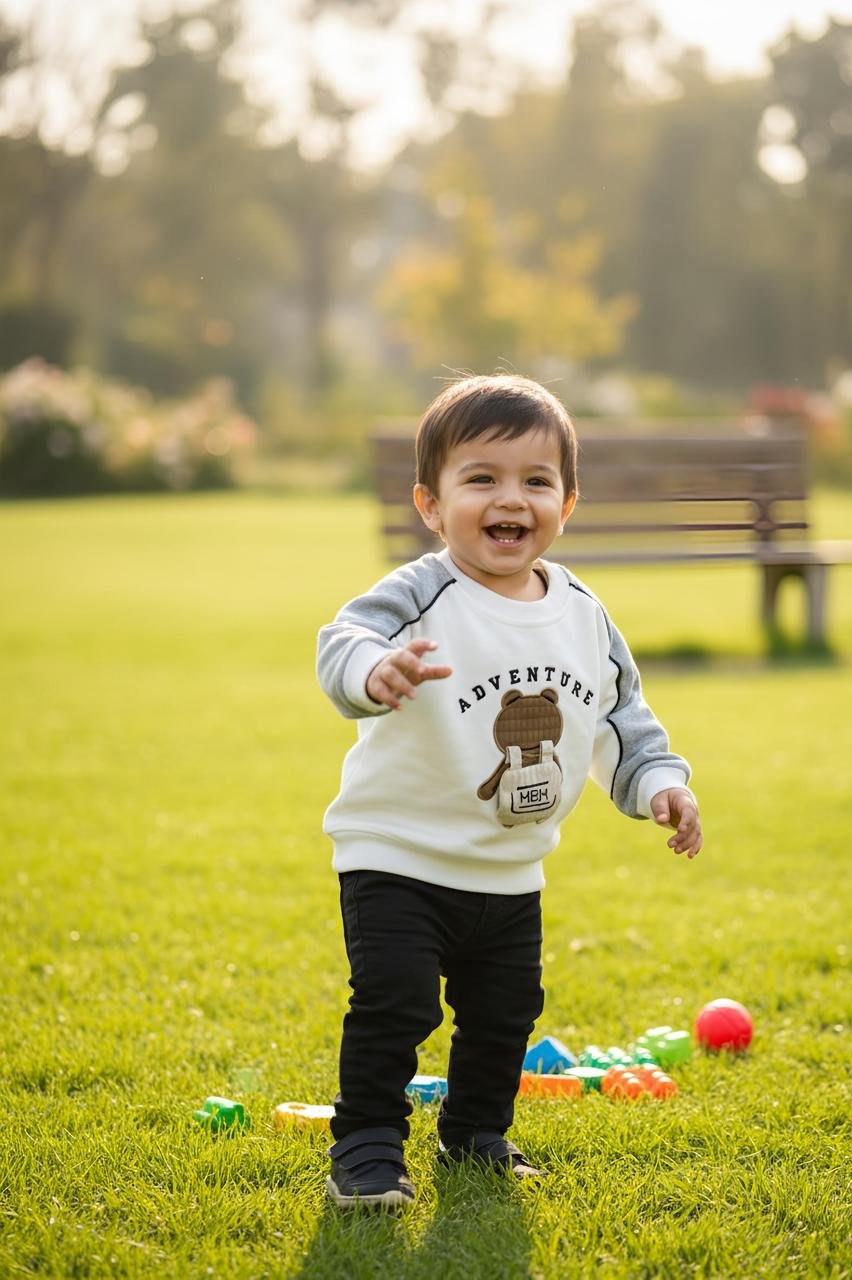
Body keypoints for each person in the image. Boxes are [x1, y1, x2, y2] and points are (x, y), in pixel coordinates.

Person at [316, 374, 702, 1209]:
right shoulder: (422, 592)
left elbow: (621, 716)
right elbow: (342, 638)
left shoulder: (582, 614)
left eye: (536, 480)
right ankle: (369, 1145)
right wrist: (375, 670)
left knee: (505, 1013)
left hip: (510, 869)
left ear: (568, 502)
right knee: (396, 1004)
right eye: (481, 478)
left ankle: (476, 1133)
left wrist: (659, 783)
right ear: (431, 503)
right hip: (398, 856)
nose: (510, 499)